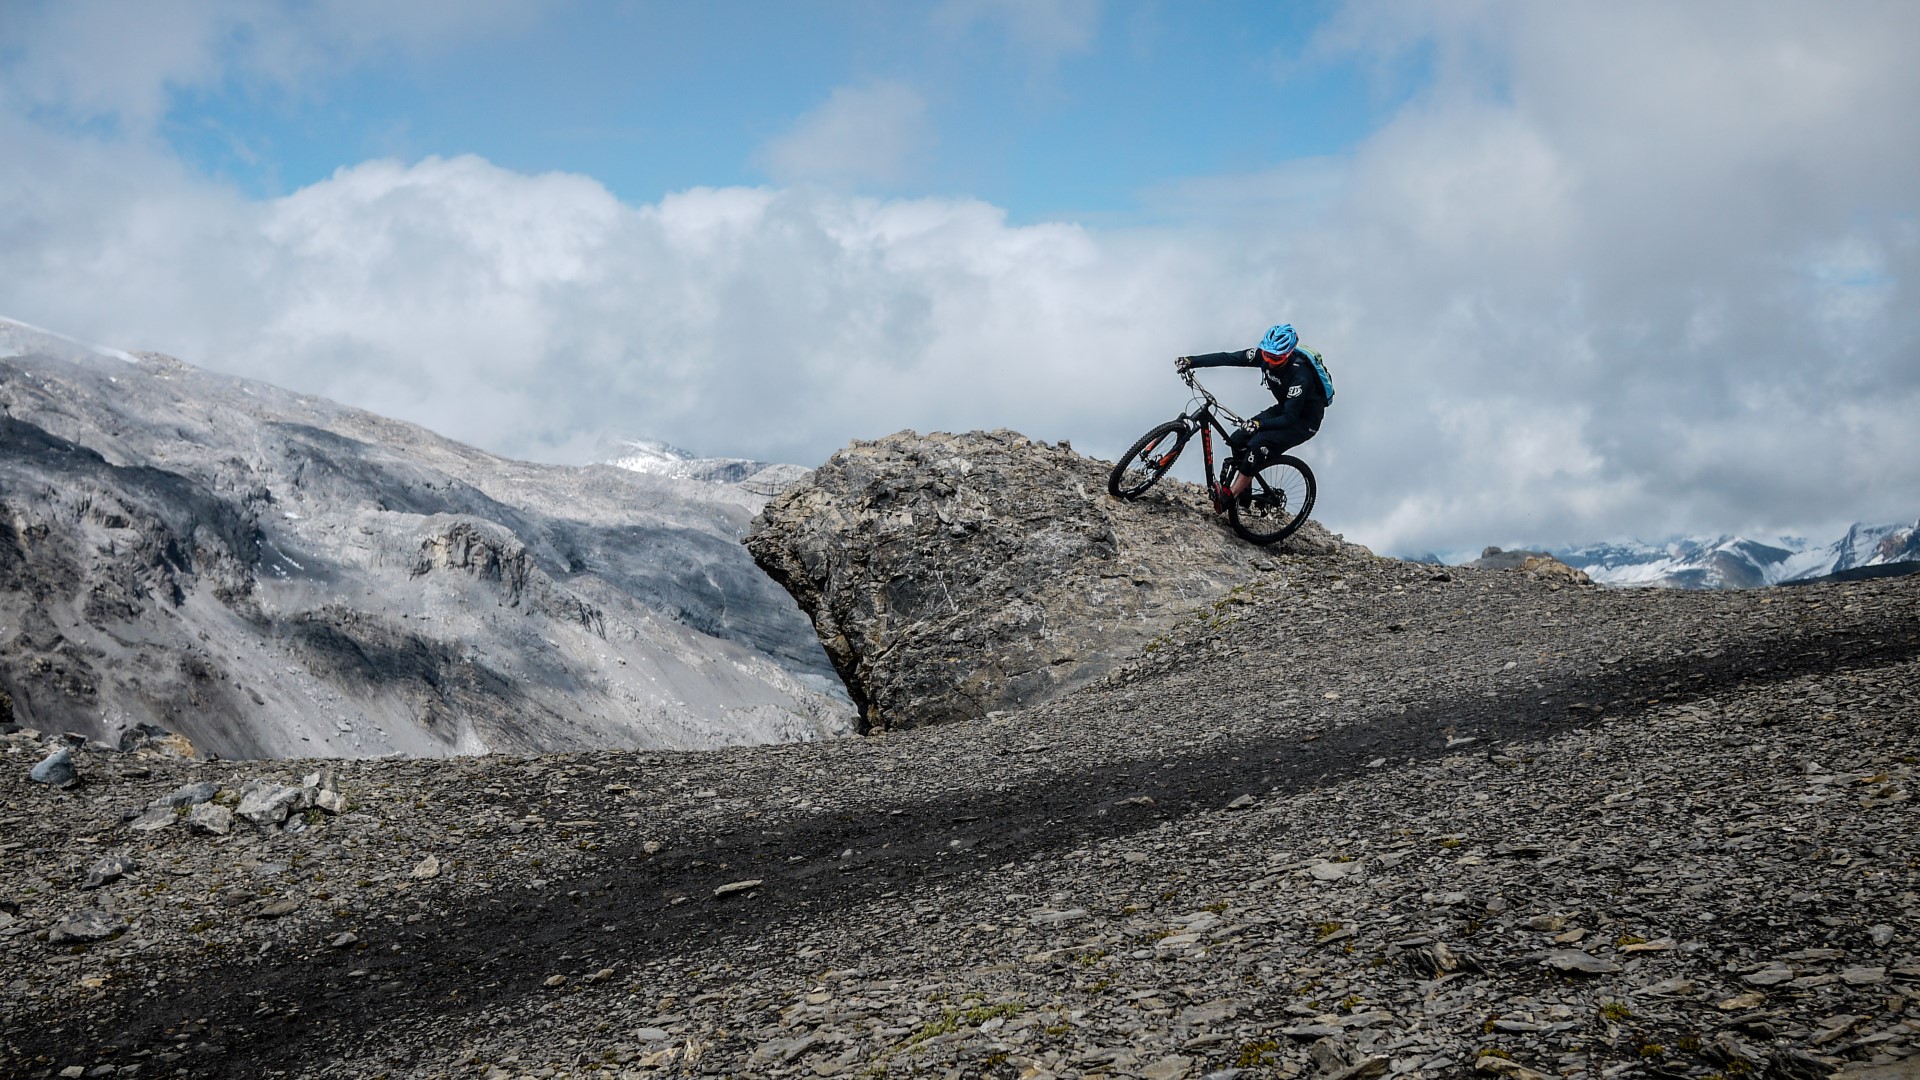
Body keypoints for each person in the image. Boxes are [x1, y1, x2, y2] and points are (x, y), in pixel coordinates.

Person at [1175, 323, 1329, 502]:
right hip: (1284, 409)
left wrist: (1259, 425)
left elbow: (1290, 417)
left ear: (1287, 355)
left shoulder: (1301, 377)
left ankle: (1229, 497)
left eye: (1276, 359)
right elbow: (1228, 358)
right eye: (1267, 355)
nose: (1270, 362)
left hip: (1303, 422)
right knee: (1238, 439)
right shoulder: (1263, 355)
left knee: (1256, 446)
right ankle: (1244, 497)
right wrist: (1192, 361)